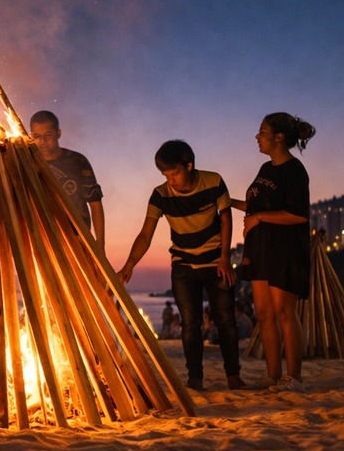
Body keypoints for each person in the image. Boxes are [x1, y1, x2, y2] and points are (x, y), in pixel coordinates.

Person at [118, 140, 244, 391]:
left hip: (214, 260)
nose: (171, 180)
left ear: (189, 165)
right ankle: (195, 379)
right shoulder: (160, 195)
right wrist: (130, 264)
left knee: (225, 319)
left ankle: (233, 376)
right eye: (165, 175)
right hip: (183, 263)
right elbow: (146, 234)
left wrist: (224, 259)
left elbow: (226, 218)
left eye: (174, 173)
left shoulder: (213, 181)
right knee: (190, 322)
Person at [232, 112, 314, 392]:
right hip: (260, 248)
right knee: (264, 313)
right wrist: (229, 202)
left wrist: (259, 219)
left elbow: (298, 215)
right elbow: (256, 205)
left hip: (285, 248)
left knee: (284, 312)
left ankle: (293, 377)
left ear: (279, 137)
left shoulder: (294, 170)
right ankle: (272, 374)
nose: (257, 136)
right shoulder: (266, 170)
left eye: (262, 131)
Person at [30, 111, 106, 248]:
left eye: (48, 135)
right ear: (31, 137)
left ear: (58, 133)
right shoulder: (27, 164)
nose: (42, 141)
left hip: (78, 239)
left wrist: (100, 243)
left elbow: (95, 204)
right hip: (44, 242)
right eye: (37, 136)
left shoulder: (77, 161)